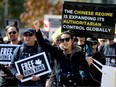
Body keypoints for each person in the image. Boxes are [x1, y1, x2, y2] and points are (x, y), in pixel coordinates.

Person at [33, 20, 91, 87]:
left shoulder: (79, 53)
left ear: (72, 40)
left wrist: (88, 63)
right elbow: (43, 44)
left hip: (74, 84)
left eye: (67, 39)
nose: (65, 42)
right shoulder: (57, 51)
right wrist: (37, 30)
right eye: (62, 40)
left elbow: (86, 70)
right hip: (59, 83)